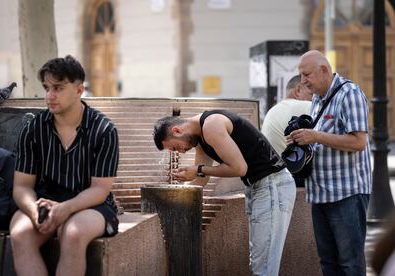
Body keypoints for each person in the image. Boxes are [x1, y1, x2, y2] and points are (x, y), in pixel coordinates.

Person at [10, 55, 119, 275]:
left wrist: (65, 209)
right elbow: (21, 186)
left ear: (79, 90)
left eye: (58, 88)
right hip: (45, 199)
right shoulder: (33, 129)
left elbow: (100, 189)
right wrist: (34, 212)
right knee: (20, 234)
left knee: (73, 234)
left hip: (91, 204)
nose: (50, 96)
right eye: (47, 88)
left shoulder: (104, 130)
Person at [152, 110, 296, 276]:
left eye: (176, 147)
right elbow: (201, 180)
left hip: (272, 186)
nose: (181, 152)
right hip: (260, 187)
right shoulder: (200, 135)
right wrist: (175, 190)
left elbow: (239, 168)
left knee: (263, 267)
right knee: (259, 261)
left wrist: (197, 170)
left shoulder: (211, 126)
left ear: (177, 130)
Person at [287, 50, 371, 275]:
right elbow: (320, 140)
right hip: (321, 194)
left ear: (324, 70)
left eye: (307, 75)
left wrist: (315, 136)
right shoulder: (317, 98)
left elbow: (358, 142)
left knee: (350, 264)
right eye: (301, 76)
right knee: (328, 263)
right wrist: (301, 140)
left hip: (347, 194)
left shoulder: (350, 93)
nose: (303, 81)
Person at [261, 75, 312, 187]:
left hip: (270, 176)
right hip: (290, 177)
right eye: (311, 94)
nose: (315, 98)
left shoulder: (273, 110)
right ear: (298, 90)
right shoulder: (306, 106)